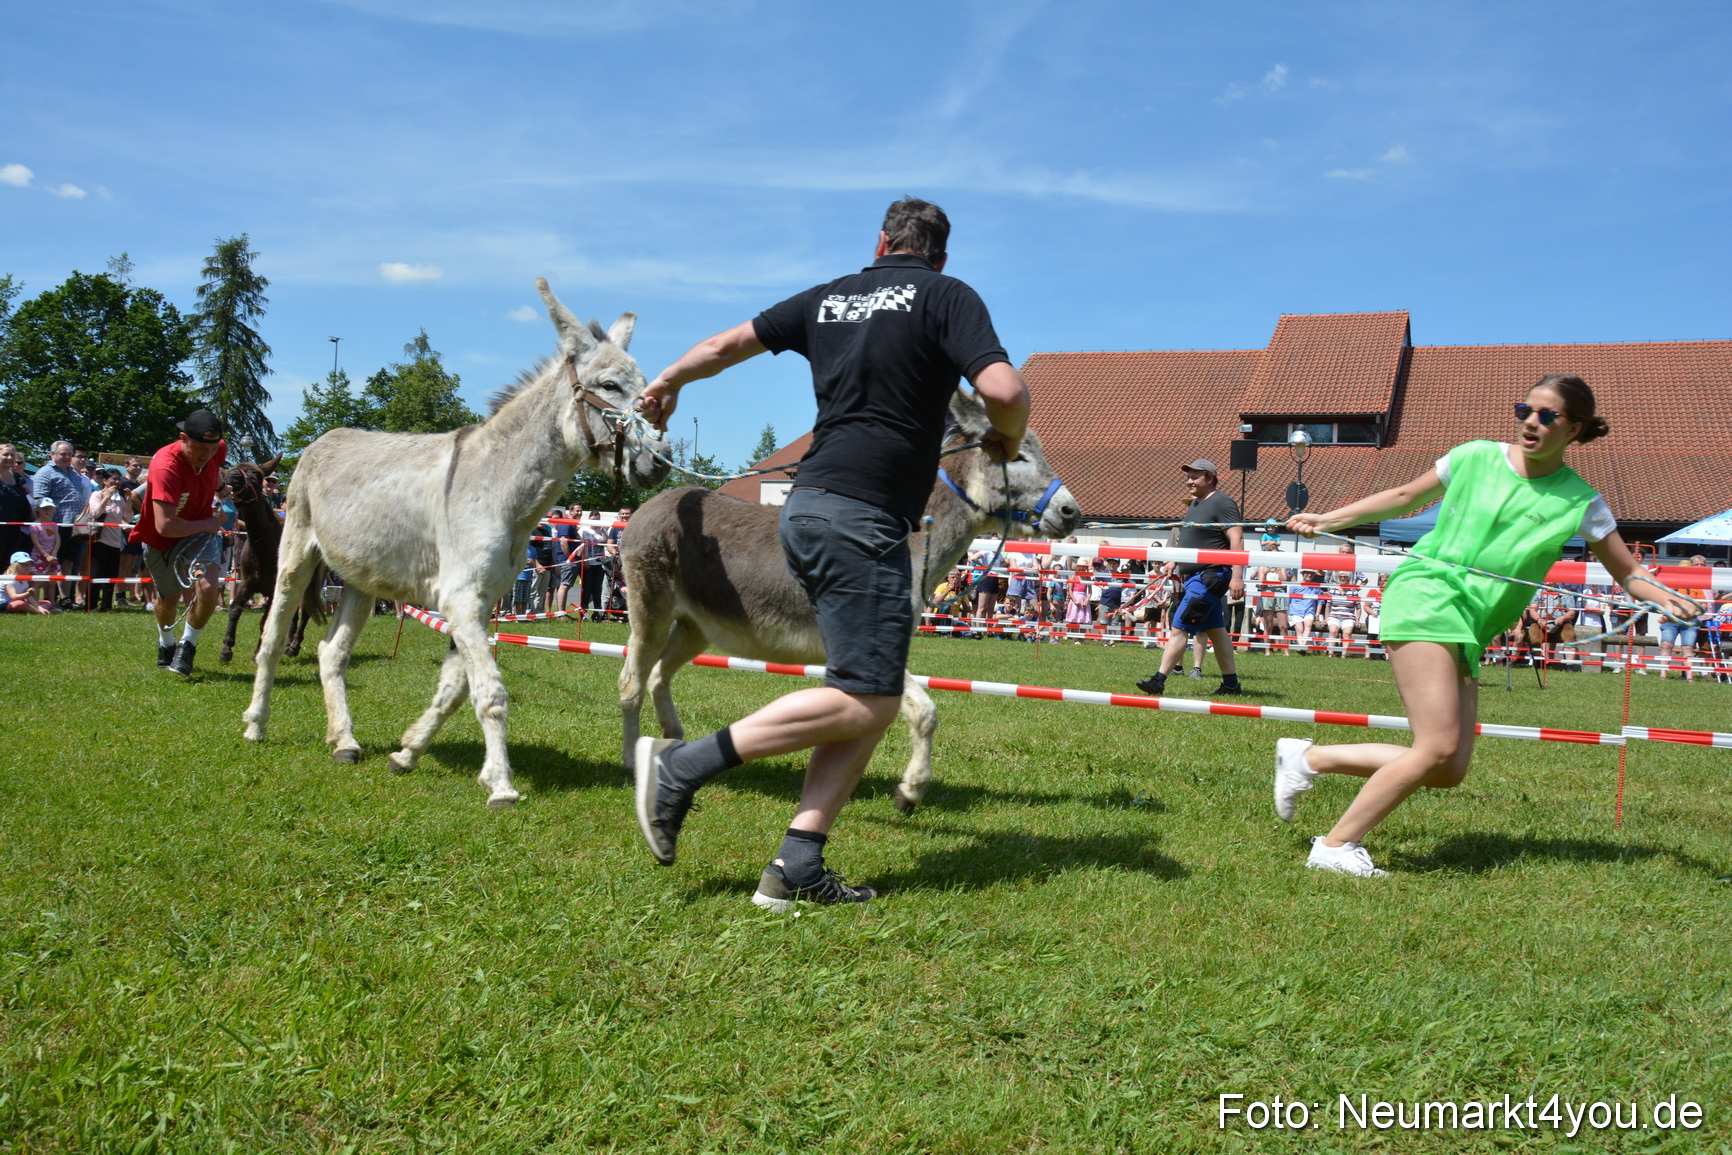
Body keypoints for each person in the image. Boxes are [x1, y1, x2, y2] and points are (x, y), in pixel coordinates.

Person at [629, 197, 1029, 910]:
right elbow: (1004, 388)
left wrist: (666, 382)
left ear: (880, 241)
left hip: (808, 504)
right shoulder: (946, 296)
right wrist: (1007, 434)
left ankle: (796, 863)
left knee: (866, 693)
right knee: (871, 697)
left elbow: (724, 346)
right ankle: (683, 765)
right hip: (866, 518)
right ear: (939, 256)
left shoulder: (831, 296)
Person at [1275, 375, 1699, 876]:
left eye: (1547, 415)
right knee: (1437, 746)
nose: (1530, 421)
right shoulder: (1475, 456)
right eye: (1525, 409)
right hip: (1427, 597)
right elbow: (1404, 495)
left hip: (1473, 623)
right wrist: (1328, 520)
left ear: (1575, 428)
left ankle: (1310, 759)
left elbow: (1627, 572)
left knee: (1448, 768)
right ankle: (1335, 846)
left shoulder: (1581, 502)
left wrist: (1669, 598)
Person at [130, 410, 231, 676]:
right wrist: (209, 523)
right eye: (199, 448)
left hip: (200, 533)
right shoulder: (166, 466)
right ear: (183, 438)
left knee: (208, 588)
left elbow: (216, 466)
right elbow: (165, 525)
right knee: (168, 599)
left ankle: (188, 646)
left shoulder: (216, 448)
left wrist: (219, 489)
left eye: (210, 450)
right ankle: (166, 644)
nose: (205, 455)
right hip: (160, 538)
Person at [1135, 460, 1245, 695]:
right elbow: (1188, 539)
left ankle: (1158, 680)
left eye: (1195, 477)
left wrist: (1238, 576)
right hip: (1195, 576)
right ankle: (1231, 685)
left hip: (1211, 575)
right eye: (1189, 477)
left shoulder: (1223, 503)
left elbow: (1237, 539)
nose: (1188, 481)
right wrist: (1173, 562)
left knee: (1179, 626)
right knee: (1216, 630)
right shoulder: (1195, 504)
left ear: (1210, 478)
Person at [31, 440, 93, 608]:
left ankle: (66, 598)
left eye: (69, 454)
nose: (66, 457)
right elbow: (39, 500)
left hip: (75, 526)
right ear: (53, 455)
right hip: (56, 527)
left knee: (70, 562)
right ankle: (50, 600)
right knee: (55, 562)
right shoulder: (45, 473)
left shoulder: (74, 473)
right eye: (62, 454)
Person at [83, 470, 129, 612]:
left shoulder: (119, 499)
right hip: (99, 540)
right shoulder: (97, 495)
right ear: (105, 480)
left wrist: (128, 501)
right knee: (96, 575)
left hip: (115, 542)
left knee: (111, 576)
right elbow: (95, 513)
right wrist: (106, 497)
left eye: (118, 480)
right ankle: (91, 605)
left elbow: (127, 518)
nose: (116, 482)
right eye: (113, 479)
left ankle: (106, 605)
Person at [1658, 557, 1710, 681]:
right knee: (1666, 644)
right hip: (1671, 620)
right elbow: (1661, 600)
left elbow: (1704, 605)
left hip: (1690, 620)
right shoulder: (1669, 585)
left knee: (1688, 647)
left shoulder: (1696, 586)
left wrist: (1691, 611)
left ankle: (1689, 677)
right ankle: (1663, 675)